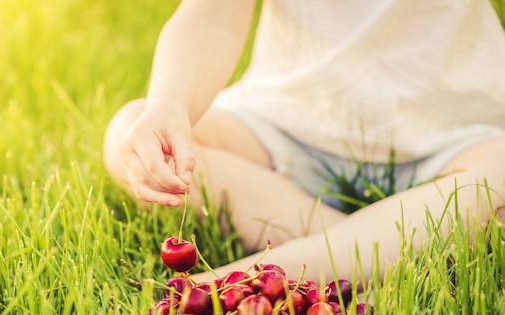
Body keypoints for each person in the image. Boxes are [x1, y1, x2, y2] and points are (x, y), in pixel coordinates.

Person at [102, 0, 505, 286]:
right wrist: (170, 104)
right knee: (131, 129)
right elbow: (213, 15)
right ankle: (379, 248)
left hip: (449, 134)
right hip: (292, 122)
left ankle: (243, 281)